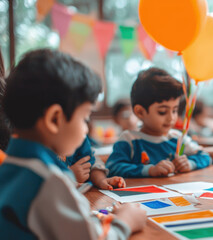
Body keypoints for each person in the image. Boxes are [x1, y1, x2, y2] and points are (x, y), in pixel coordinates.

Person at [0, 49, 146, 239]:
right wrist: (126, 221)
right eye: (84, 118)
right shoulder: (49, 180)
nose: (86, 129)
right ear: (54, 119)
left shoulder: (10, 165)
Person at [106, 67, 211, 178]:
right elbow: (113, 167)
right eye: (162, 112)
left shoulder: (177, 138)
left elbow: (205, 156)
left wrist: (190, 163)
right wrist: (149, 170)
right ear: (140, 112)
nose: (171, 117)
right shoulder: (130, 140)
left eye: (174, 110)